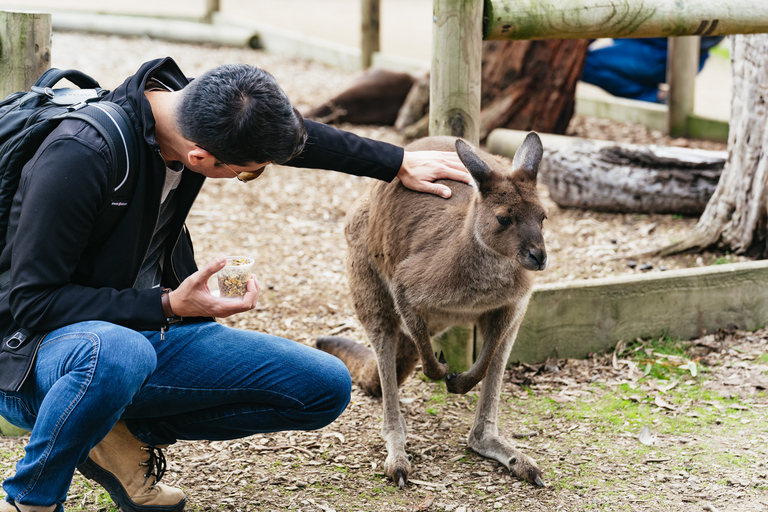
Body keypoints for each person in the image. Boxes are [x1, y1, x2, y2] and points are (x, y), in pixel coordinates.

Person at [0, 57, 470, 512]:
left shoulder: (194, 109)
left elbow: (297, 139)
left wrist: (397, 161)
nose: (253, 174)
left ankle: (102, 428)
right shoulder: (81, 154)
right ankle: (32, 496)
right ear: (200, 157)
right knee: (121, 354)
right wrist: (167, 304)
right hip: (32, 356)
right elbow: (33, 303)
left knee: (323, 387)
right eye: (249, 172)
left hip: (133, 330)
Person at [581, 36, 725, 103]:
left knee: (583, 64)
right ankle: (655, 96)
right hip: (650, 44)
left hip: (668, 55)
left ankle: (653, 96)